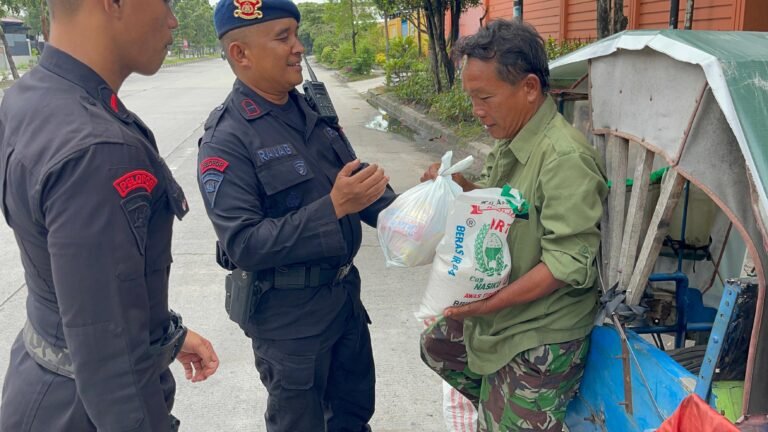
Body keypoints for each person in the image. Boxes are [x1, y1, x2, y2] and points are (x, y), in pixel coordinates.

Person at [0, 0, 219, 430]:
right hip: (83, 411)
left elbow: (80, 293)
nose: (174, 20)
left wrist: (164, 338)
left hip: (42, 382)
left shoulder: (29, 97)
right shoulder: (98, 149)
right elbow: (111, 365)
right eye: (167, 3)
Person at [196, 1, 396, 431]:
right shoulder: (227, 139)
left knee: (353, 418)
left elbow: (359, 184)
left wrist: (423, 208)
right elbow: (244, 244)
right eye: (283, 36)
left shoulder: (311, 110)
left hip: (343, 303)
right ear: (241, 54)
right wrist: (333, 207)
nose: (298, 48)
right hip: (290, 326)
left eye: (296, 34)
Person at [419, 19, 608, 432]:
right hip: (509, 308)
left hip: (543, 325)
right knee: (436, 343)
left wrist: (483, 307)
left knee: (505, 421)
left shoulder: (563, 159)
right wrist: (458, 187)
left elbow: (565, 264)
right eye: (471, 98)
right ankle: (500, 403)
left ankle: (513, 408)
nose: (477, 111)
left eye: (484, 97)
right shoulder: (513, 140)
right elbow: (498, 201)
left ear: (529, 88)